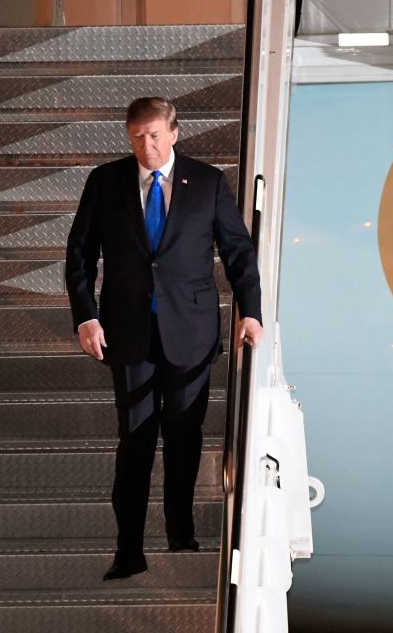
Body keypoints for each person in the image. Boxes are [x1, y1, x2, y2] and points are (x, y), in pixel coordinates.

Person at [65, 97, 263, 580]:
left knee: (183, 436)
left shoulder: (208, 182)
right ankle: (128, 548)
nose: (146, 145)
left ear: (174, 133)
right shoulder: (106, 181)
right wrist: (86, 317)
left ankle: (181, 530)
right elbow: (79, 255)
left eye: (154, 135)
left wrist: (251, 312)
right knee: (134, 439)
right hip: (128, 333)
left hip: (191, 333)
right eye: (137, 136)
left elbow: (237, 252)